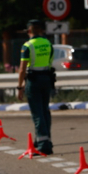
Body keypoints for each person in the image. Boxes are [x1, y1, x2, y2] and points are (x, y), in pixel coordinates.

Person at [17, 19, 55, 155]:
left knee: (37, 113)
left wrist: (19, 87)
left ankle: (43, 145)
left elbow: (22, 69)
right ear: (40, 30)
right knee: (45, 111)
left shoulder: (27, 46)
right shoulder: (48, 44)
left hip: (33, 80)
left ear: (29, 31)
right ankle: (45, 140)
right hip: (46, 79)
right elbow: (50, 62)